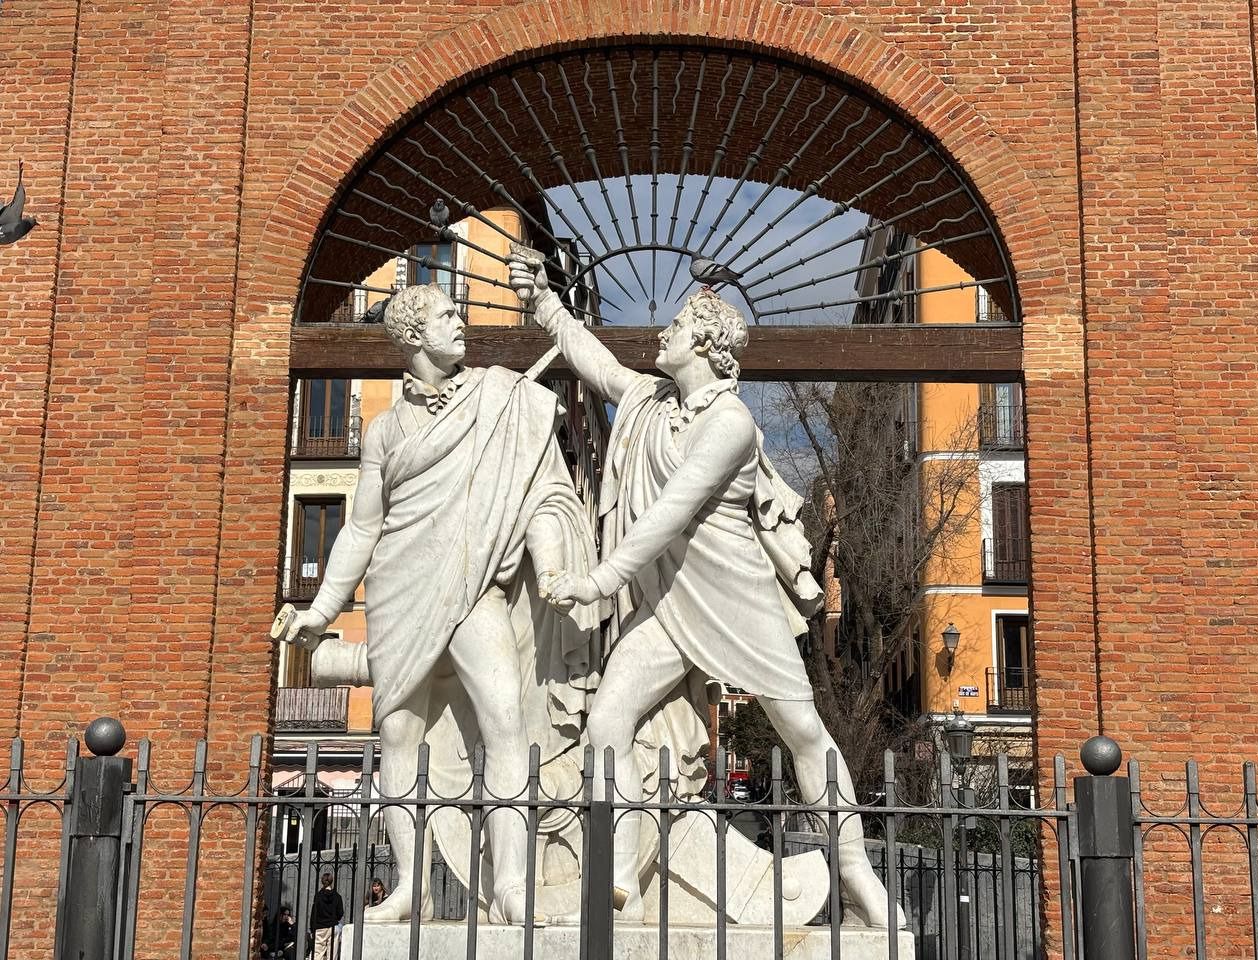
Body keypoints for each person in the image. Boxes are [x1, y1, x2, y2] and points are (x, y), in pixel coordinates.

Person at [508, 258, 904, 928]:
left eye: (677, 325)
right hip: (669, 602)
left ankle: (858, 876)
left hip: (734, 594)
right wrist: (547, 305)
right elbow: (596, 365)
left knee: (803, 732)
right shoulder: (652, 403)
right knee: (608, 721)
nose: (662, 333)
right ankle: (618, 882)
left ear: (705, 344)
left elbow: (671, 512)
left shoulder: (731, 424)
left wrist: (598, 581)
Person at [279, 283, 600, 924]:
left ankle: (511, 885)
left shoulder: (496, 395)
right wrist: (322, 609)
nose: (461, 324)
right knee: (398, 735)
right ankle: (410, 888)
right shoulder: (382, 431)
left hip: (475, 585)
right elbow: (362, 528)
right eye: (448, 316)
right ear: (414, 335)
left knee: (506, 721)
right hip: (400, 588)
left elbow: (539, 487)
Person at [310, 874, 343, 960]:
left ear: (322, 881)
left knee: (317, 955)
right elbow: (340, 913)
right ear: (332, 881)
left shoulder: (318, 896)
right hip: (333, 926)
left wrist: (312, 929)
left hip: (320, 928)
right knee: (332, 955)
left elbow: (314, 913)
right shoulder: (337, 896)